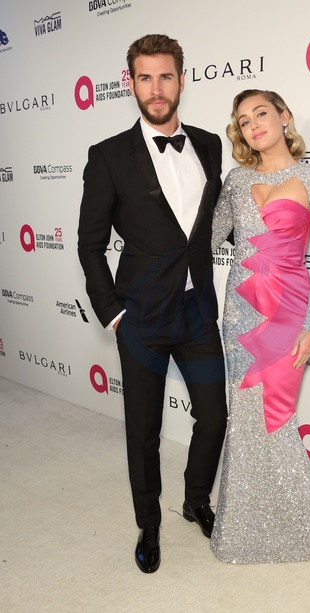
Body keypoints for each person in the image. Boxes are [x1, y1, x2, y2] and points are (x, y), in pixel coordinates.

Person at [77, 34, 228, 574]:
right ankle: (149, 523)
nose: (156, 89)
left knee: (215, 416)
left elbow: (212, 224)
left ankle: (196, 500)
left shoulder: (209, 144)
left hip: (197, 310)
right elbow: (90, 244)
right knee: (142, 430)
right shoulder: (108, 155)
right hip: (140, 315)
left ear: (182, 80)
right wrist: (114, 313)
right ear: (131, 84)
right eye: (145, 78)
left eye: (165, 76)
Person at [210, 89, 310, 563]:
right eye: (244, 120)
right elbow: (207, 239)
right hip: (239, 310)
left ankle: (307, 530)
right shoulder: (236, 180)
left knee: (276, 418)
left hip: (288, 312)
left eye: (261, 113)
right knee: (244, 418)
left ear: (284, 116)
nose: (253, 125)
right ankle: (241, 529)